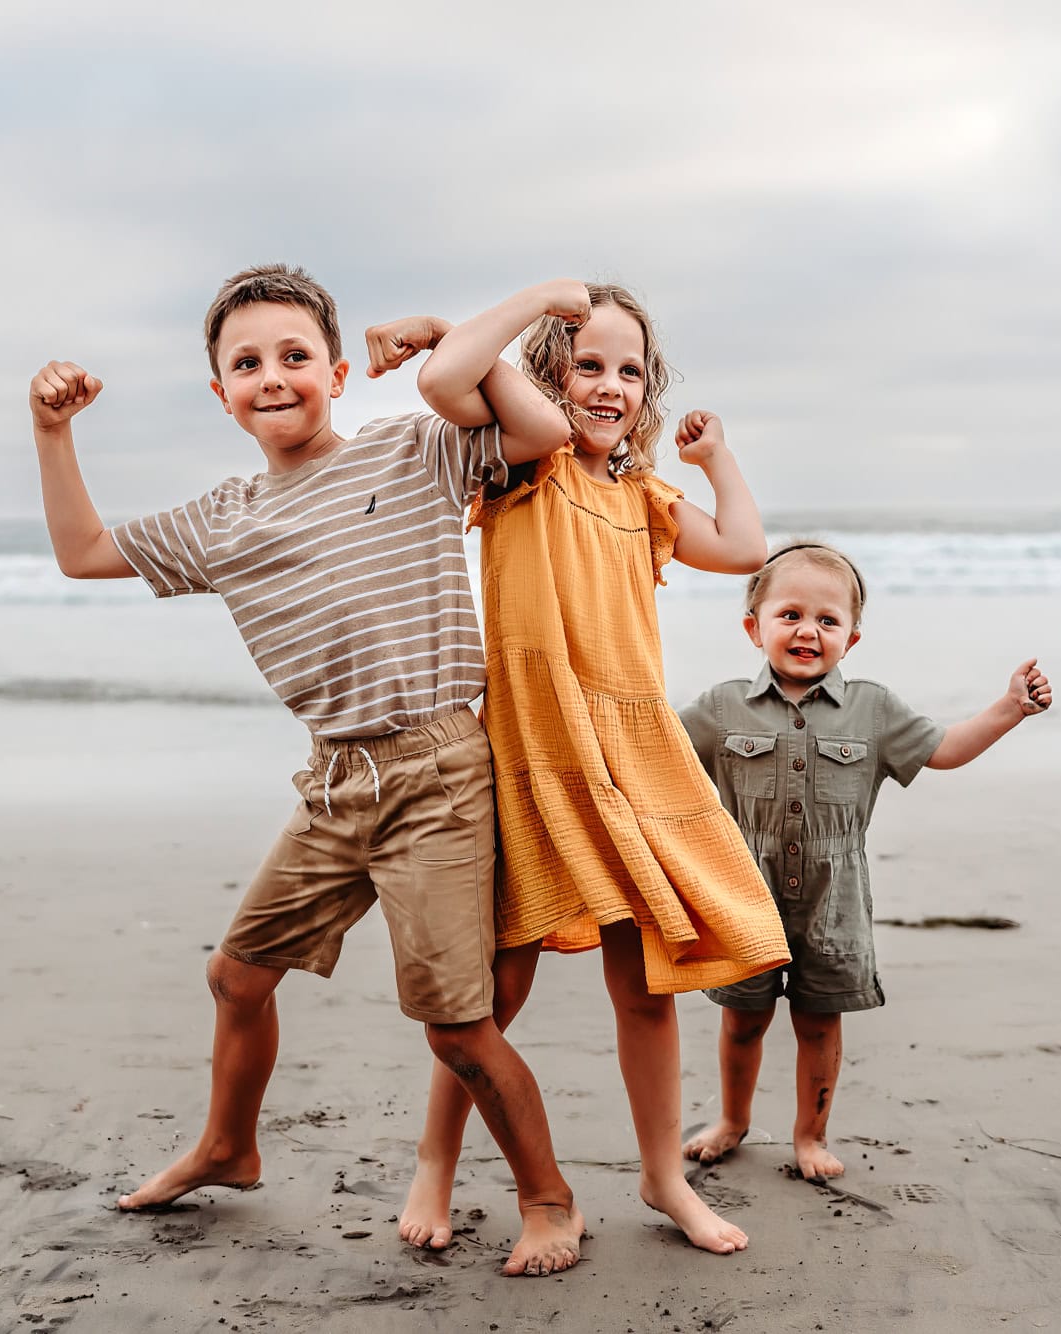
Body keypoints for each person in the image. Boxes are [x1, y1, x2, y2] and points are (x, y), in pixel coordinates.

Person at [26, 263, 594, 1276]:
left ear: (334, 371)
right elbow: (81, 551)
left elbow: (543, 432)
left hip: (436, 770)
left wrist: (470, 328)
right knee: (236, 974)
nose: (272, 375)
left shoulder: (412, 448)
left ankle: (547, 1198)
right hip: (332, 782)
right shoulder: (222, 518)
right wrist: (51, 430)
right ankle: (227, 1144)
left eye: (293, 355)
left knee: (457, 1027)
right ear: (220, 393)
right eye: (246, 363)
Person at [371, 281, 790, 1256]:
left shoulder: (642, 499)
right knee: (494, 988)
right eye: (587, 364)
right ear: (547, 379)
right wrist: (500, 311)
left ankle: (660, 1173)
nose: (610, 386)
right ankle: (434, 1158)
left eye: (629, 370)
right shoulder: (529, 463)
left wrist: (713, 455)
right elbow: (448, 378)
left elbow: (744, 546)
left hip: (629, 756)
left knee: (645, 981)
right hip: (537, 749)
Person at [678, 540, 1054, 1181]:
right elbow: (655, 754)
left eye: (828, 620)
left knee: (819, 1024)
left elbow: (947, 749)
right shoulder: (720, 708)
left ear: (851, 639)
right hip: (744, 893)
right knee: (742, 1020)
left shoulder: (873, 709)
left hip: (835, 899)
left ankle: (809, 1136)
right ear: (754, 628)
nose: (808, 630)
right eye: (790, 614)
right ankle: (733, 1121)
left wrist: (1010, 707)